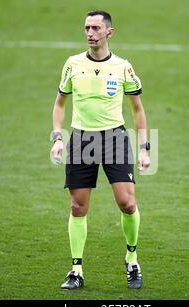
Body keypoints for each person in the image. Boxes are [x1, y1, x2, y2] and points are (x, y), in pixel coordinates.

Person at [50, 10, 150, 290]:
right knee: (78, 206)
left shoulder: (122, 67)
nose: (90, 33)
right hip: (82, 140)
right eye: (86, 28)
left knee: (127, 203)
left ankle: (132, 259)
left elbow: (137, 109)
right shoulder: (72, 64)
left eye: (95, 28)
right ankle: (76, 270)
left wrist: (145, 147)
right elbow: (59, 104)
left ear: (109, 32)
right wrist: (58, 137)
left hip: (115, 139)